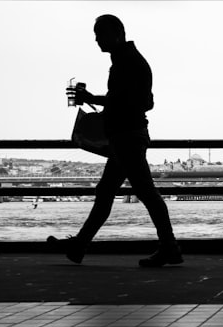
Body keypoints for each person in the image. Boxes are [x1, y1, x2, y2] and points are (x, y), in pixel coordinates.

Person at [49, 14, 182, 267]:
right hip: (127, 136)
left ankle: (170, 247)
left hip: (127, 137)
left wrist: (93, 99)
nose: (97, 39)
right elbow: (143, 101)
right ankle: (79, 246)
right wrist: (98, 100)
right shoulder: (130, 60)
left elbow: (134, 101)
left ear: (116, 34)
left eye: (100, 33)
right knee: (111, 191)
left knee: (145, 192)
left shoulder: (126, 62)